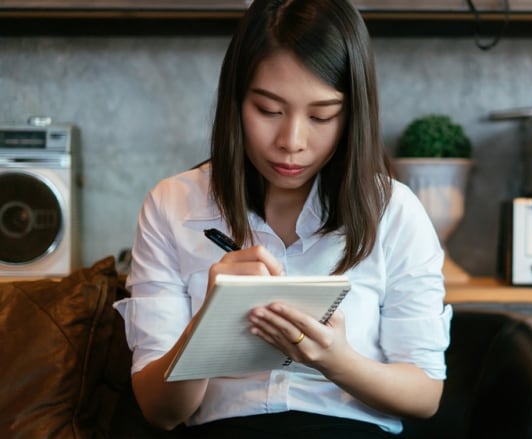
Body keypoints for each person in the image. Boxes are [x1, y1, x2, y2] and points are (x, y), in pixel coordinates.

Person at [113, 0, 452, 437]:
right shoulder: (172, 205)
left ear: (353, 115)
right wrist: (208, 326)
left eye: (321, 115)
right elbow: (160, 412)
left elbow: (425, 394)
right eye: (269, 110)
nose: (291, 141)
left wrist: (337, 361)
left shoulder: (394, 211)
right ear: (236, 101)